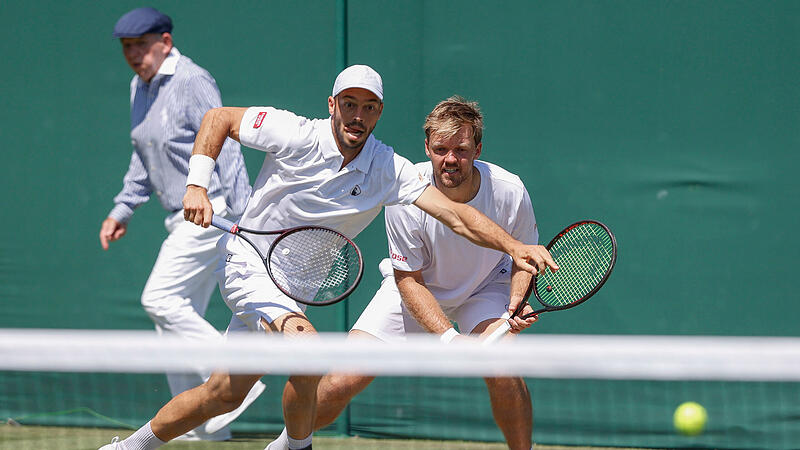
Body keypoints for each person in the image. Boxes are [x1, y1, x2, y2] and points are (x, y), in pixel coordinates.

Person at [100, 65, 556, 450]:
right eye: (349, 104)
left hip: (293, 289)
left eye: (369, 107)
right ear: (332, 104)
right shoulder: (293, 132)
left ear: (379, 113)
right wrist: (197, 183)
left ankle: (128, 446)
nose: (358, 115)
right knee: (311, 355)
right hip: (248, 267)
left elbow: (457, 217)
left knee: (222, 394)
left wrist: (515, 248)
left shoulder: (386, 169)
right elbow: (218, 118)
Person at [266, 96, 543, 450]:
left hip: (484, 288)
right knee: (338, 383)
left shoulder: (510, 190)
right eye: (441, 148)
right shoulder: (406, 191)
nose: (451, 159)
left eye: (461, 149)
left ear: (478, 149)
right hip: (414, 286)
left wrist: (515, 302)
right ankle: (287, 444)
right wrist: (448, 338)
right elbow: (409, 280)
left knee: (504, 371)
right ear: (427, 147)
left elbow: (523, 256)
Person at [98, 7, 264, 441]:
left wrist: (244, 216)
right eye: (126, 47)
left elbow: (225, 143)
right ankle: (204, 428)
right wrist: (123, 208)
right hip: (181, 217)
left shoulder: (191, 80)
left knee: (160, 300)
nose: (133, 54)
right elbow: (143, 152)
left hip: (213, 211)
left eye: (141, 44)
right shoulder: (140, 86)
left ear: (165, 42)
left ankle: (238, 378)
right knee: (169, 321)